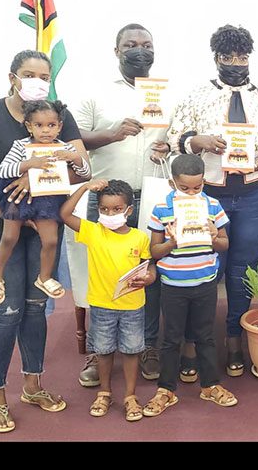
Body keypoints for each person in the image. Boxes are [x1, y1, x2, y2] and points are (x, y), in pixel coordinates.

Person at [0, 49, 87, 434]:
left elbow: (80, 169)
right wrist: (13, 212)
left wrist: (67, 168)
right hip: (4, 227)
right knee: (7, 312)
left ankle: (33, 384)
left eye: (43, 76)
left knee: (36, 307)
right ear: (12, 77)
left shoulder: (59, 118)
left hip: (46, 222)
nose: (36, 81)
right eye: (28, 74)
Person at [166, 24, 258, 377]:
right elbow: (176, 138)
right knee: (201, 268)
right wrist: (197, 141)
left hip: (255, 194)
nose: (236, 62)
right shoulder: (196, 96)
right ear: (216, 58)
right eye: (228, 56)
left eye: (242, 56)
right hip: (208, 194)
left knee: (240, 270)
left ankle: (234, 338)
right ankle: (193, 341)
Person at [75, 23, 172, 386]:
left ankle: (147, 346)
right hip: (106, 198)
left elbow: (178, 141)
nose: (139, 50)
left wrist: (170, 147)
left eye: (146, 44)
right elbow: (74, 139)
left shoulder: (168, 94)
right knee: (101, 273)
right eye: (130, 45)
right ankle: (99, 354)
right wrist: (112, 134)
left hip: (151, 196)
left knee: (147, 273)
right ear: (116, 51)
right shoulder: (94, 93)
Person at [142, 154, 238, 417]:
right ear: (173, 184)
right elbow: (155, 251)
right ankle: (166, 390)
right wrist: (172, 242)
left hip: (205, 281)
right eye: (185, 188)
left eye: (198, 187)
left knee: (206, 336)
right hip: (173, 283)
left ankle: (210, 385)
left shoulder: (212, 205)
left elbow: (224, 245)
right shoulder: (162, 208)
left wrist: (213, 234)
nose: (192, 193)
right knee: (171, 338)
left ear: (204, 182)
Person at [60, 179, 156, 421]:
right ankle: (104, 392)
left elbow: (150, 268)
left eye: (116, 209)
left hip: (133, 305)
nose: (109, 214)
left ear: (128, 211)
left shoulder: (140, 238)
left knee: (132, 350)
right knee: (103, 350)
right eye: (104, 209)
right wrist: (84, 188)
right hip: (102, 305)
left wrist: (148, 279)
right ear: (98, 209)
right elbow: (64, 214)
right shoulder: (93, 231)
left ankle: (130, 395)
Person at [0, 100, 90, 305]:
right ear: (29, 126)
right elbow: (3, 170)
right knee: (9, 237)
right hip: (20, 198)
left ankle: (45, 277)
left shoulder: (64, 147)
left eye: (51, 125)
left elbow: (84, 173)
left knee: (50, 241)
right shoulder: (21, 145)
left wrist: (74, 158)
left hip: (48, 200)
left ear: (59, 126)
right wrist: (28, 164)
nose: (46, 130)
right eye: (39, 125)